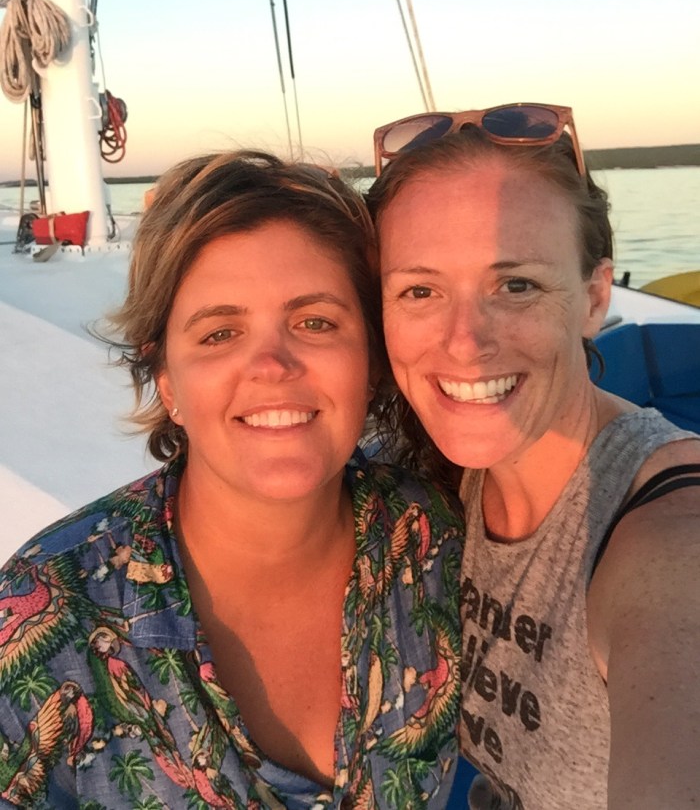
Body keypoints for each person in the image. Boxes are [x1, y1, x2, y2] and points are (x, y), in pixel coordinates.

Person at [0, 151, 464, 808]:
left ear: (371, 360)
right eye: (220, 333)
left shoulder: (436, 542)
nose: (272, 364)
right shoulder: (47, 615)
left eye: (315, 322)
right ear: (167, 381)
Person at [365, 104, 700, 809]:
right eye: (420, 290)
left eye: (515, 285)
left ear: (594, 298)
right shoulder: (429, 474)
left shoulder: (667, 542)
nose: (464, 342)